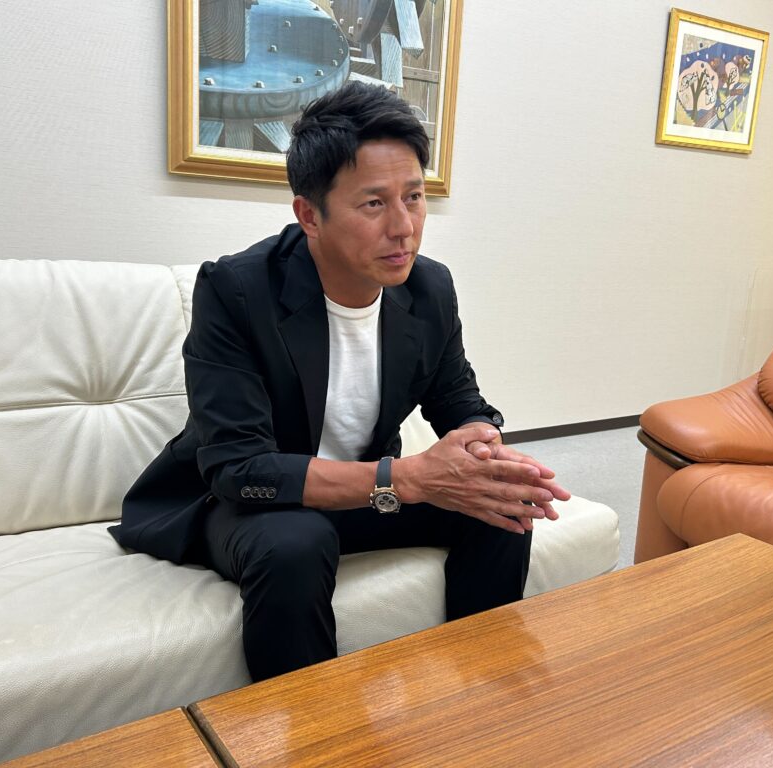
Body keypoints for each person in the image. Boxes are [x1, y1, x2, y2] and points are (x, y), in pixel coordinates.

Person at [109, 82, 570, 681]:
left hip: (366, 491)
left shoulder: (429, 287)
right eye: (374, 204)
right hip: (256, 503)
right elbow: (238, 468)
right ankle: (310, 726)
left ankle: (479, 690)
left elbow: (458, 398)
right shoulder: (236, 290)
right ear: (309, 215)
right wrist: (405, 477)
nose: (404, 227)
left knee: (503, 505)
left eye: (414, 197)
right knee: (294, 543)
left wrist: (481, 447)